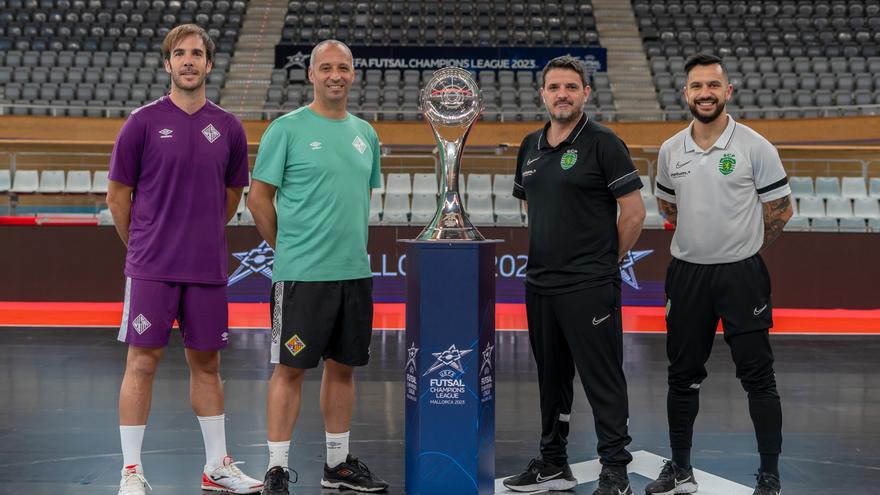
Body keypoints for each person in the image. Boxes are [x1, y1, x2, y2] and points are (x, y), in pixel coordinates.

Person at [106, 24, 262, 495]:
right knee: (142, 363)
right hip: (152, 266)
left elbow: (233, 193)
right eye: (180, 54)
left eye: (197, 53)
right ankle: (131, 471)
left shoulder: (229, 128)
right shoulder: (142, 123)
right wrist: (142, 245)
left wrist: (200, 231)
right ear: (167, 64)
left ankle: (217, 466)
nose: (189, 61)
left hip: (207, 268)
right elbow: (118, 197)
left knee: (208, 366)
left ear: (210, 64)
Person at [646, 52, 792, 495]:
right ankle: (681, 470)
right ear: (685, 93)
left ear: (727, 92)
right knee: (681, 374)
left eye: (713, 86)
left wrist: (741, 250)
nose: (705, 93)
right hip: (688, 276)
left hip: (741, 276)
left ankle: (770, 474)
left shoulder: (754, 146)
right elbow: (668, 207)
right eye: (697, 86)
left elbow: (781, 211)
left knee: (758, 376)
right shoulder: (672, 150)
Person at [247, 39, 388, 495]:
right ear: (311, 74)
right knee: (289, 370)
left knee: (343, 368)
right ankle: (275, 468)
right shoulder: (285, 129)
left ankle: (337, 464)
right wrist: (287, 246)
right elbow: (259, 199)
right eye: (325, 67)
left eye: (342, 67)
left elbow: (362, 197)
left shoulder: (365, 133)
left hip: (354, 273)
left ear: (352, 73)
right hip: (301, 276)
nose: (335, 75)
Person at [502, 56, 646, 495]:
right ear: (542, 94)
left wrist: (603, 262)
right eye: (553, 87)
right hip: (541, 284)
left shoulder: (603, 142)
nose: (561, 94)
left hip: (588, 284)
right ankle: (553, 462)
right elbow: (531, 207)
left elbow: (634, 212)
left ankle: (616, 469)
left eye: (570, 86)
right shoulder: (530, 145)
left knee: (602, 378)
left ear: (586, 93)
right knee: (552, 378)